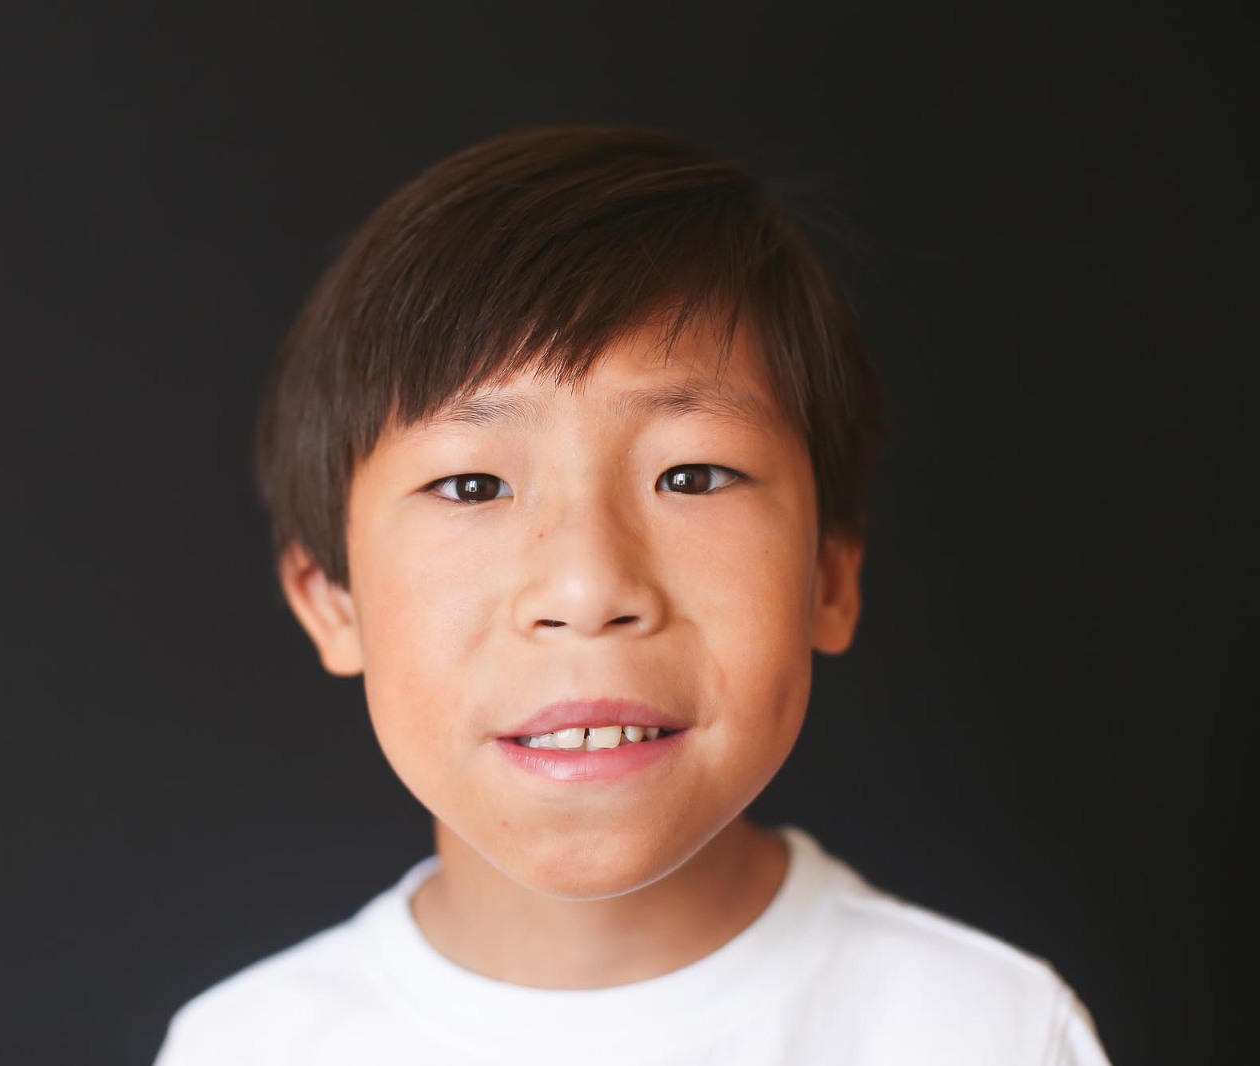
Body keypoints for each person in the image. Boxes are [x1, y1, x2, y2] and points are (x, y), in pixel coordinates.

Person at [151, 125, 1111, 1065]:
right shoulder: (246, 1046)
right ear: (333, 601)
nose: (588, 587)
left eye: (692, 476)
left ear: (829, 576)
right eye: (474, 485)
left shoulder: (987, 1033)